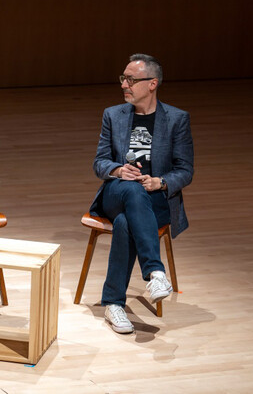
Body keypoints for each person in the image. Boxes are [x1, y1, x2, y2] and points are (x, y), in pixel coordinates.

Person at [89, 54, 194, 334]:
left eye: (131, 80)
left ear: (152, 84)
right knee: (132, 192)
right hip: (117, 193)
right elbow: (99, 162)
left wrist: (159, 181)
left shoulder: (176, 119)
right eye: (123, 78)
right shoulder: (113, 115)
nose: (124, 84)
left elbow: (185, 171)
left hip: (154, 198)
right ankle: (155, 272)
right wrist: (118, 170)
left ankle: (113, 303)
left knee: (126, 223)